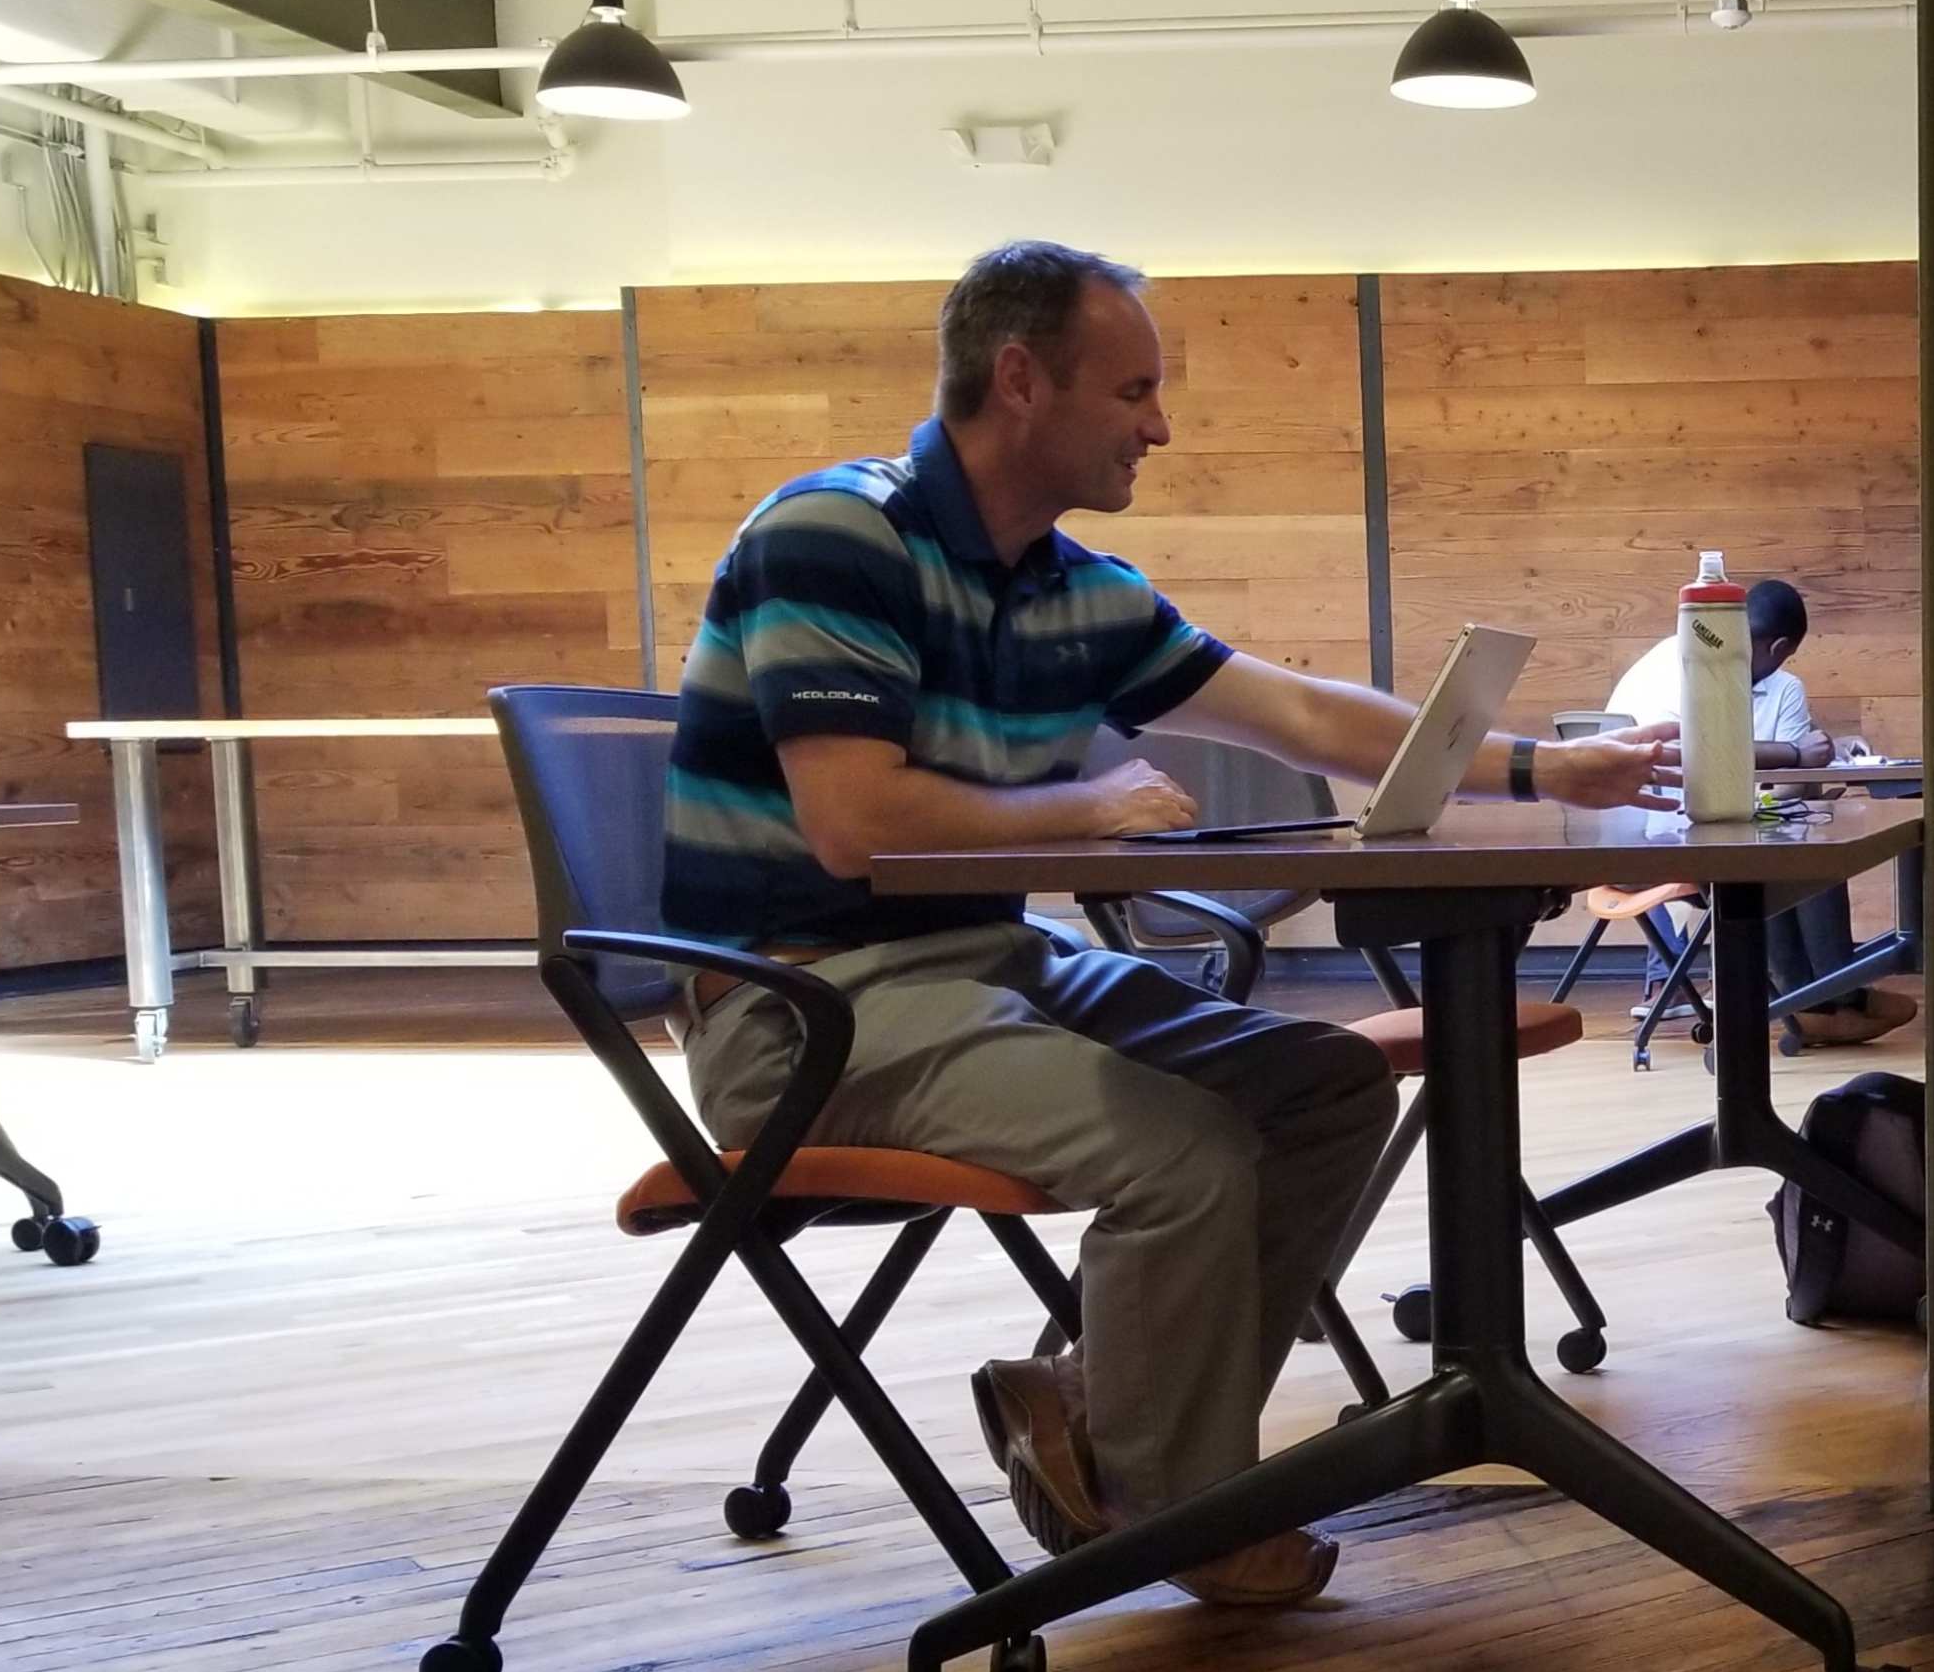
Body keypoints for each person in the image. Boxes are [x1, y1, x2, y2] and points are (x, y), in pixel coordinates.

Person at [663, 240, 1676, 1602]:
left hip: (982, 968)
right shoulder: (836, 536)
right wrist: (1084, 807)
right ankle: (1168, 1506)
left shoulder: (1074, 588)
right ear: (1020, 380)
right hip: (806, 1013)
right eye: (1133, 391)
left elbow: (1302, 712)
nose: (1162, 425)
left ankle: (1094, 1408)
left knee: (1321, 1089)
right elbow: (855, 818)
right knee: (1187, 1147)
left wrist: (1544, 769)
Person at [1605, 576, 1917, 1050]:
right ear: (1778, 646)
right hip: (1648, 837)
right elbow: (1687, 753)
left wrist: (1808, 759)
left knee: (1791, 834)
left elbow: (1794, 772)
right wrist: (1792, 754)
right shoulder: (1685, 665)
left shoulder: (1745, 673)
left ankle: (1825, 999)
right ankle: (1823, 1002)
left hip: (1675, 826)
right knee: (1783, 856)